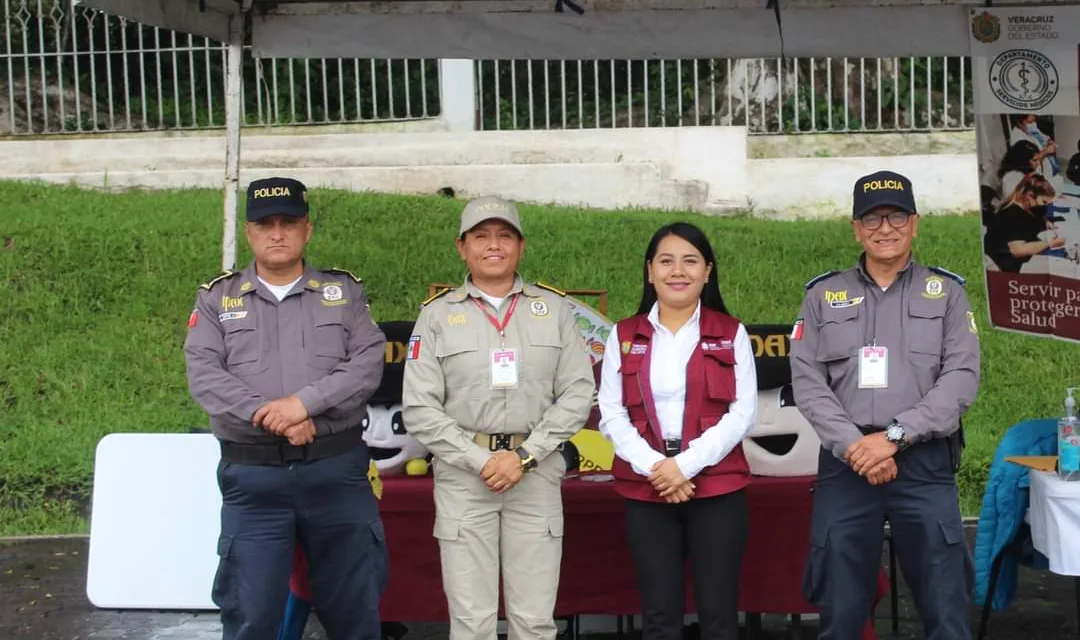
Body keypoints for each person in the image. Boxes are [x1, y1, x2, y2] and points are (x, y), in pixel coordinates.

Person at [183, 177, 389, 640]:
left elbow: (367, 364)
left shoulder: (344, 292)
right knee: (252, 615)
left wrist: (303, 405)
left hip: (336, 475)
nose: (277, 233)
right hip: (255, 484)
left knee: (354, 614)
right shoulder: (217, 298)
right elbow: (205, 376)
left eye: (289, 222)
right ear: (250, 232)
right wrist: (273, 417)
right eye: (265, 224)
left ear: (307, 229)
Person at [790, 170, 981, 640]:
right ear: (855, 228)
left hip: (923, 463)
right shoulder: (822, 296)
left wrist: (894, 438)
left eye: (896, 215)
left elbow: (960, 379)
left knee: (945, 603)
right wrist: (857, 445)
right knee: (841, 609)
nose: (885, 228)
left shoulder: (947, 294)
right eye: (871, 218)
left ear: (914, 223)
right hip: (847, 465)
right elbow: (808, 380)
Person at [401, 196, 595, 640]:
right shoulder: (436, 317)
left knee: (535, 619)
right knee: (471, 621)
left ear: (520, 246)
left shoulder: (555, 311)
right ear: (461, 247)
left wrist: (524, 456)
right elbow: (419, 407)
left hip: (536, 472)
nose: (493, 245)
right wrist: (480, 460)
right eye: (481, 236)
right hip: (464, 479)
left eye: (504, 235)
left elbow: (577, 392)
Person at [597, 222, 757, 640]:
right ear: (650, 271)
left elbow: (743, 413)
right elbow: (611, 414)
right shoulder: (625, 335)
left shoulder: (731, 332)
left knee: (719, 616)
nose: (677, 271)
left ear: (708, 271)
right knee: (659, 616)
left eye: (690, 261)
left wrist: (683, 466)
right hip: (647, 488)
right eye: (666, 261)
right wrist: (658, 467)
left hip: (717, 488)